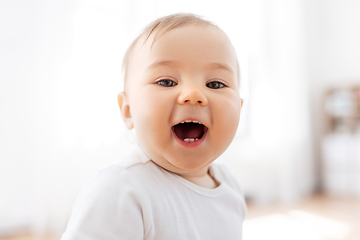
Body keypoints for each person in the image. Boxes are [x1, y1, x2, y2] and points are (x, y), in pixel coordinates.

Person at [61, 13, 247, 240]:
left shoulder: (230, 187)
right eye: (166, 82)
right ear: (128, 111)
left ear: (239, 108)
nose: (193, 94)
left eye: (215, 84)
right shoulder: (120, 192)